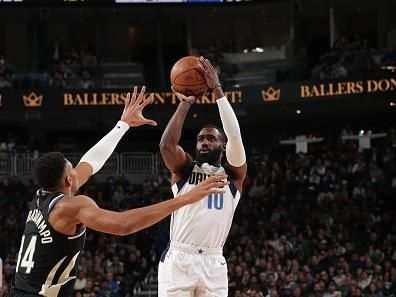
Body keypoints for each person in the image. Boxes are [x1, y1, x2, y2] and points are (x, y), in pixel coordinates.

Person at [7, 86, 228, 297]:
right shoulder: (71, 206)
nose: (76, 170)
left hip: (19, 289)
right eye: (71, 169)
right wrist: (186, 198)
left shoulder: (44, 195)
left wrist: (122, 125)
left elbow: (90, 162)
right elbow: (123, 225)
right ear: (68, 179)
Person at [158, 57, 247, 296]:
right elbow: (167, 146)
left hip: (214, 261)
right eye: (200, 139)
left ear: (223, 145)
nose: (204, 142)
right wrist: (185, 104)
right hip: (179, 258)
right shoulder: (186, 169)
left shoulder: (233, 176)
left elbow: (236, 136)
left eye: (211, 138)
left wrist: (217, 89)